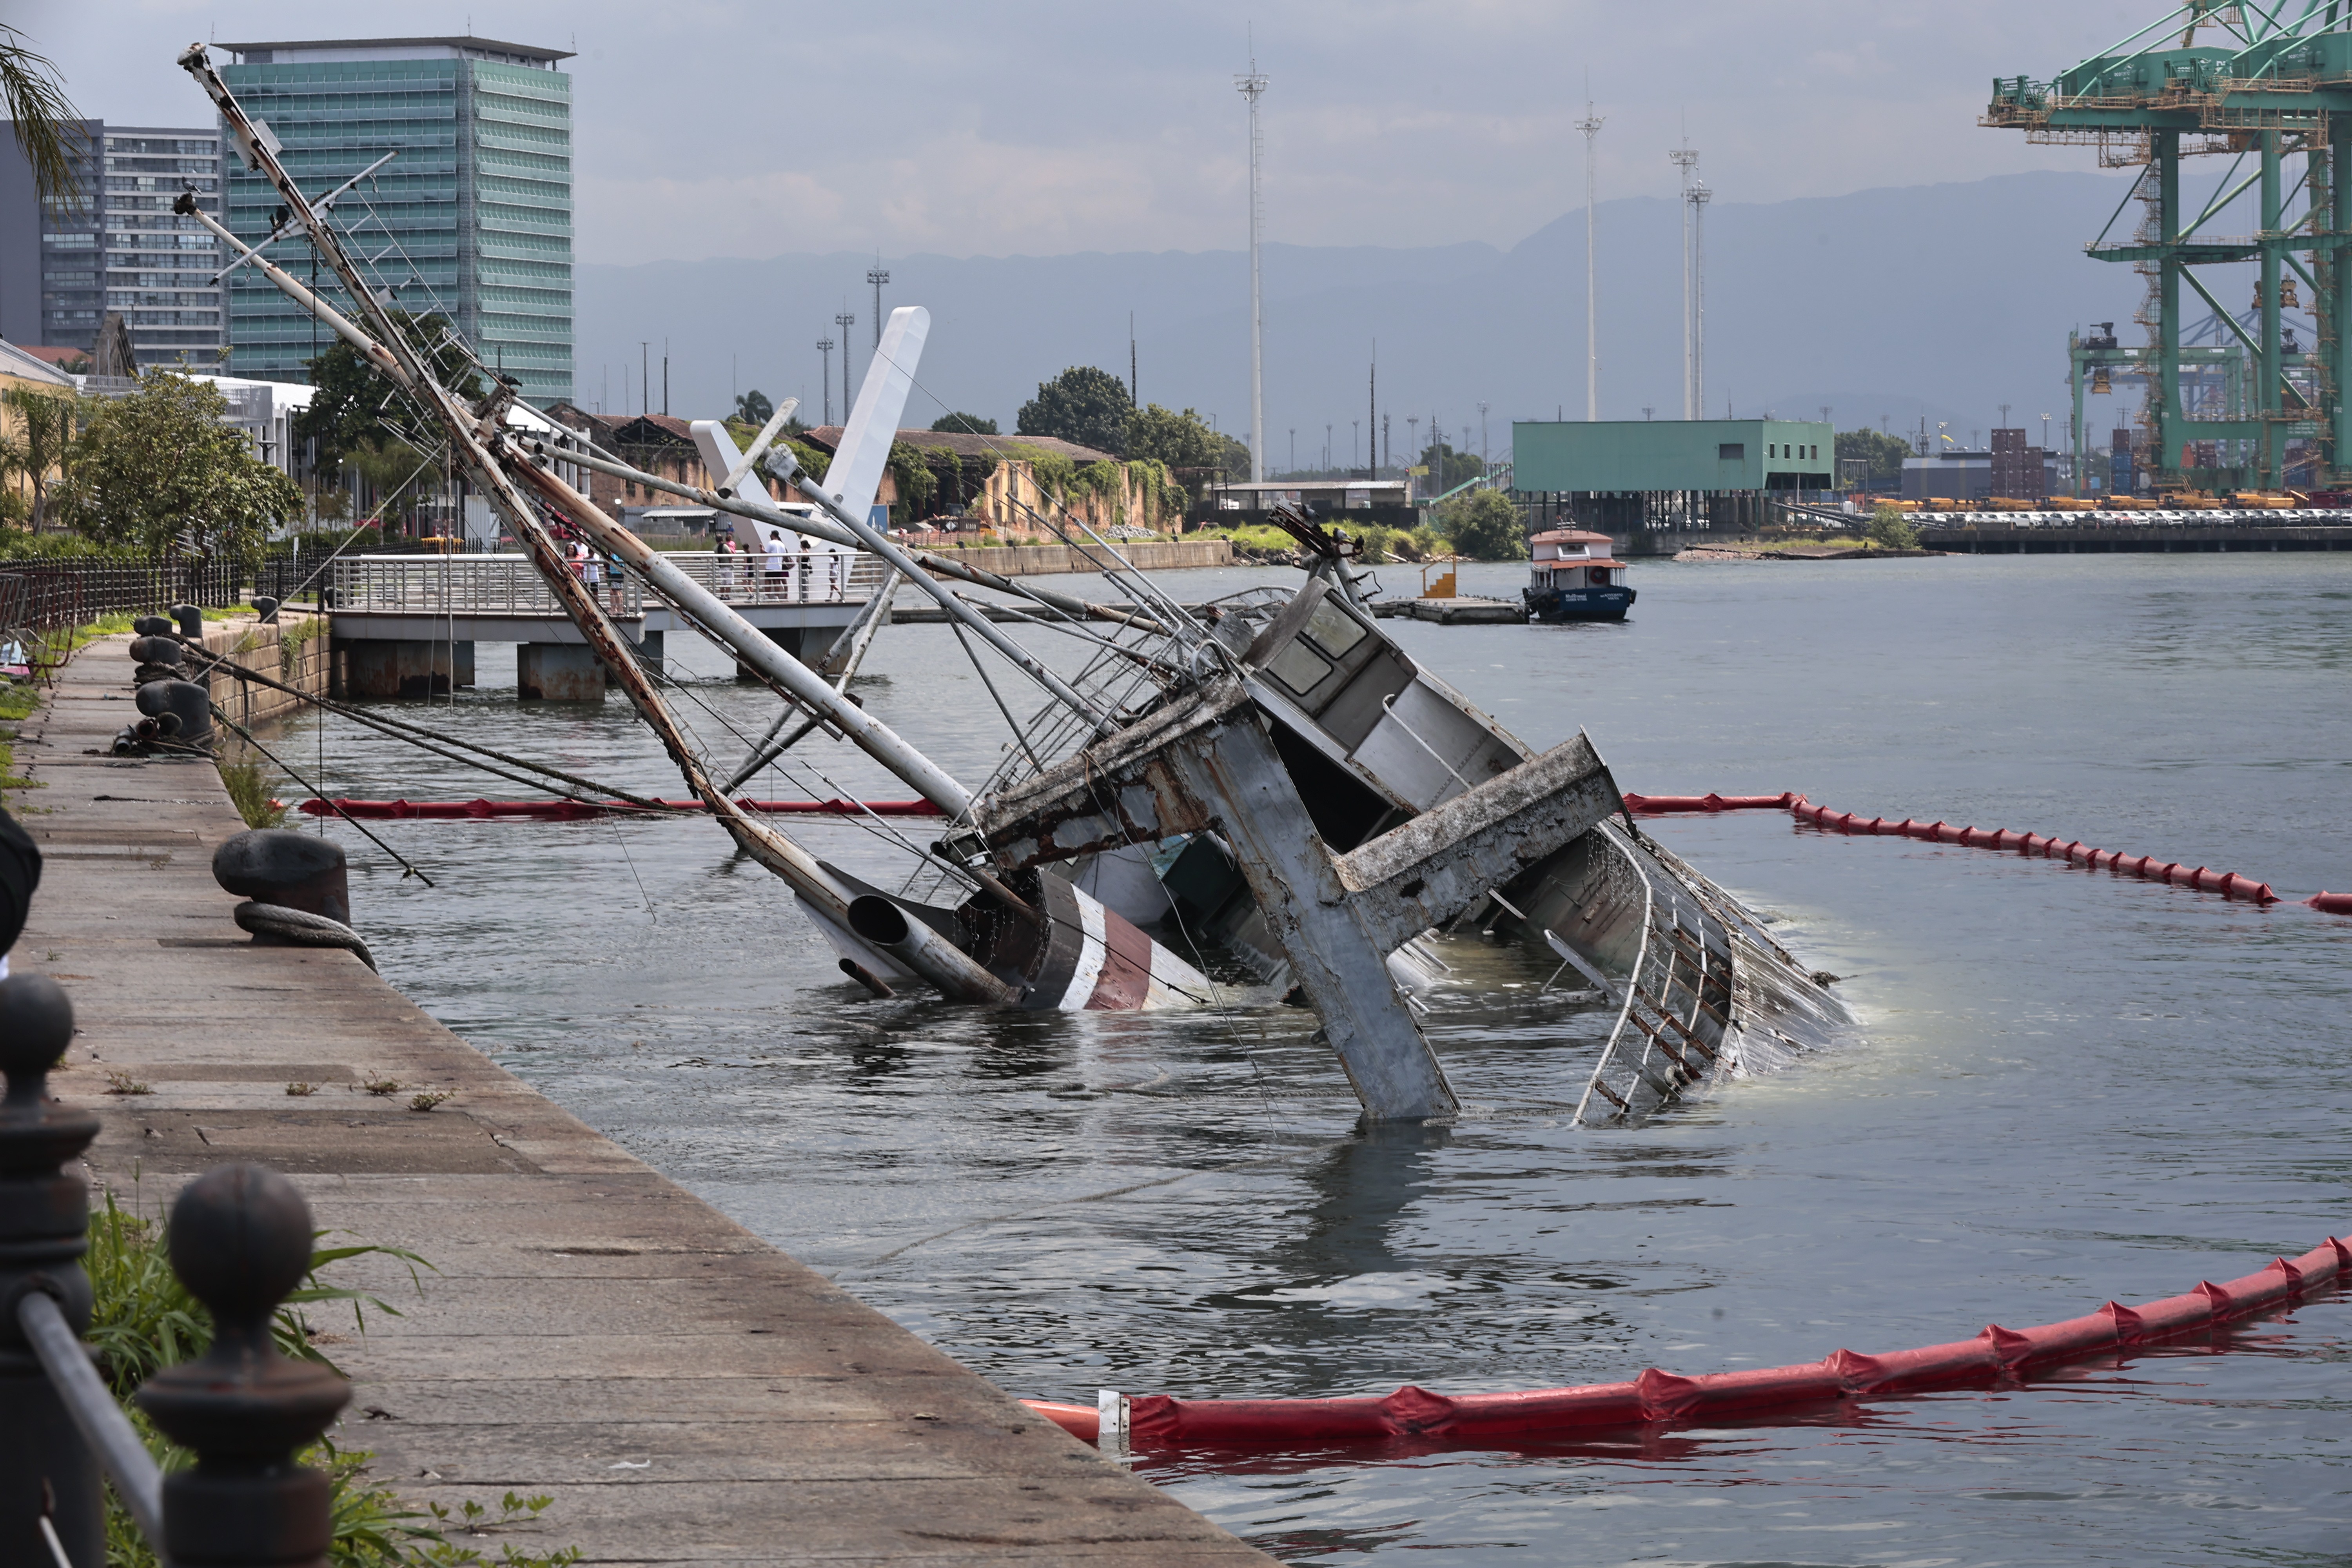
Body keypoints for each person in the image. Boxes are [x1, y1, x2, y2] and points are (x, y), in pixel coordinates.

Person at [763, 528, 786, 601]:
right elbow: (784, 554)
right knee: (777, 582)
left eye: (771, 535)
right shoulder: (782, 544)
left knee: (768, 581)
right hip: (778, 566)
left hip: (770, 566)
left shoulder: (771, 543)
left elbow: (766, 553)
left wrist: (762, 550)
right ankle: (776, 597)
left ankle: (767, 596)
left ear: (773, 535)